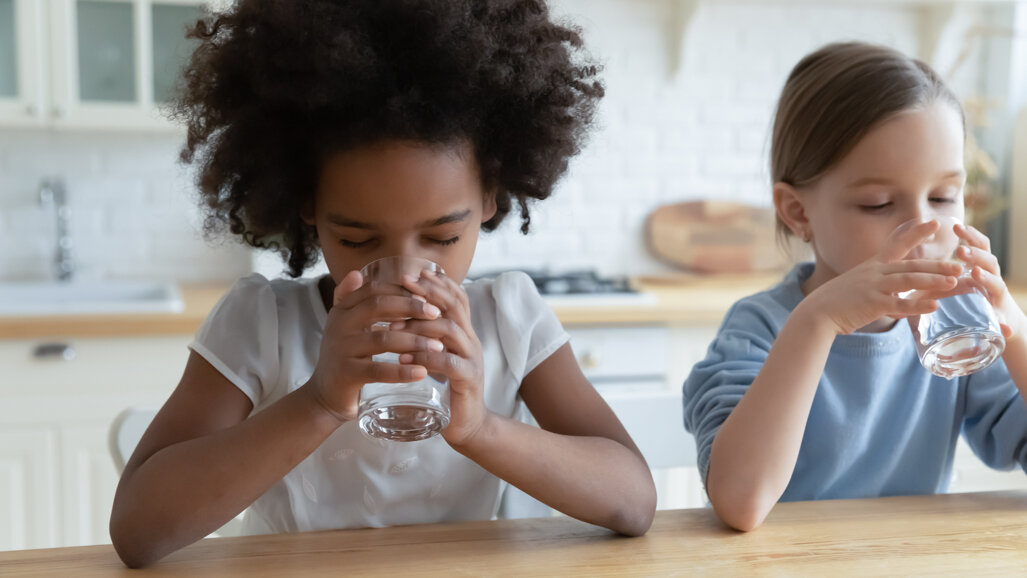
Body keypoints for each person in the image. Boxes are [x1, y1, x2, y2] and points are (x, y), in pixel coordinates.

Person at [110, 0, 656, 567]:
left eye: (443, 238)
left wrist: (480, 429)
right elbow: (137, 530)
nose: (406, 273)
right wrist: (319, 401)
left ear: (490, 196)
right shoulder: (262, 323)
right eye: (357, 240)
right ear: (307, 204)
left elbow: (634, 501)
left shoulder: (507, 317)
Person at [683, 41, 1027, 532]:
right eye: (878, 203)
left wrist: (1014, 330)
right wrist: (818, 322)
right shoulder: (759, 327)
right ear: (798, 212)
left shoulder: (958, 324)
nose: (922, 228)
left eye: (944, 196)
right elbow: (741, 502)